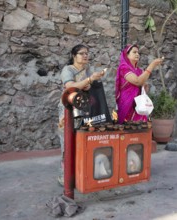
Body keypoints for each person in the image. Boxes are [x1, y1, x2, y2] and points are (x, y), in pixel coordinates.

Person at [57, 44, 105, 186]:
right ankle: (64, 177)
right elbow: (70, 87)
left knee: (80, 140)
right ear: (74, 56)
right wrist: (89, 80)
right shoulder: (68, 70)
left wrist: (88, 82)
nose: (85, 56)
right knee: (67, 141)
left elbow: (87, 87)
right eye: (82, 53)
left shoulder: (86, 69)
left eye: (87, 53)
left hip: (83, 108)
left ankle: (79, 175)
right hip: (68, 108)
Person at [115, 44, 163, 124]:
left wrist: (144, 87)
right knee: (128, 127)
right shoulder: (124, 67)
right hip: (127, 103)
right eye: (134, 52)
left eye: (138, 52)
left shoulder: (139, 71)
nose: (137, 54)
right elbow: (137, 81)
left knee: (139, 127)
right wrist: (152, 65)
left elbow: (143, 86)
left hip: (139, 104)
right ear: (127, 55)